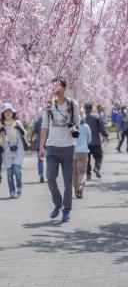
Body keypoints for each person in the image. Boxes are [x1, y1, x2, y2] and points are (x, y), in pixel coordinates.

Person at [39, 76, 80, 223]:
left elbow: (77, 124)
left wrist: (73, 128)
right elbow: (44, 127)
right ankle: (58, 203)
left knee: (68, 182)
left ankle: (66, 210)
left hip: (68, 148)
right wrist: (41, 147)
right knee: (50, 178)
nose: (56, 89)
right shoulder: (48, 105)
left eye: (59, 86)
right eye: (54, 87)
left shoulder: (72, 104)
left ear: (64, 87)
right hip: (52, 147)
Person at [0, 103, 27, 198]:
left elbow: (25, 134)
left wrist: (20, 129)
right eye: (5, 111)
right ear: (3, 114)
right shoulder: (1, 125)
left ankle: (19, 187)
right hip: (6, 152)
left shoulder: (17, 123)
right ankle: (12, 191)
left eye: (9, 111)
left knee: (16, 170)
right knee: (9, 173)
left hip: (18, 151)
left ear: (12, 113)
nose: (8, 113)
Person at [85, 102, 109, 180]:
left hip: (85, 142)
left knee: (87, 159)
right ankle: (96, 167)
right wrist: (105, 135)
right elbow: (101, 128)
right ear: (91, 108)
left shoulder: (81, 117)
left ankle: (88, 174)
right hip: (95, 141)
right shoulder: (96, 116)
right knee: (99, 156)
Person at [73, 114, 91, 198]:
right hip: (83, 151)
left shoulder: (72, 126)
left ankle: (76, 190)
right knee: (82, 171)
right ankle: (81, 185)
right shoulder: (86, 126)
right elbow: (89, 139)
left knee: (74, 173)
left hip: (73, 151)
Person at [32, 111, 45, 183]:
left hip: (39, 144)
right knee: (50, 160)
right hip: (48, 143)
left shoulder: (37, 122)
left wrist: (31, 139)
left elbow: (34, 132)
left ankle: (41, 174)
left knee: (40, 160)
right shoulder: (49, 121)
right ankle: (50, 175)